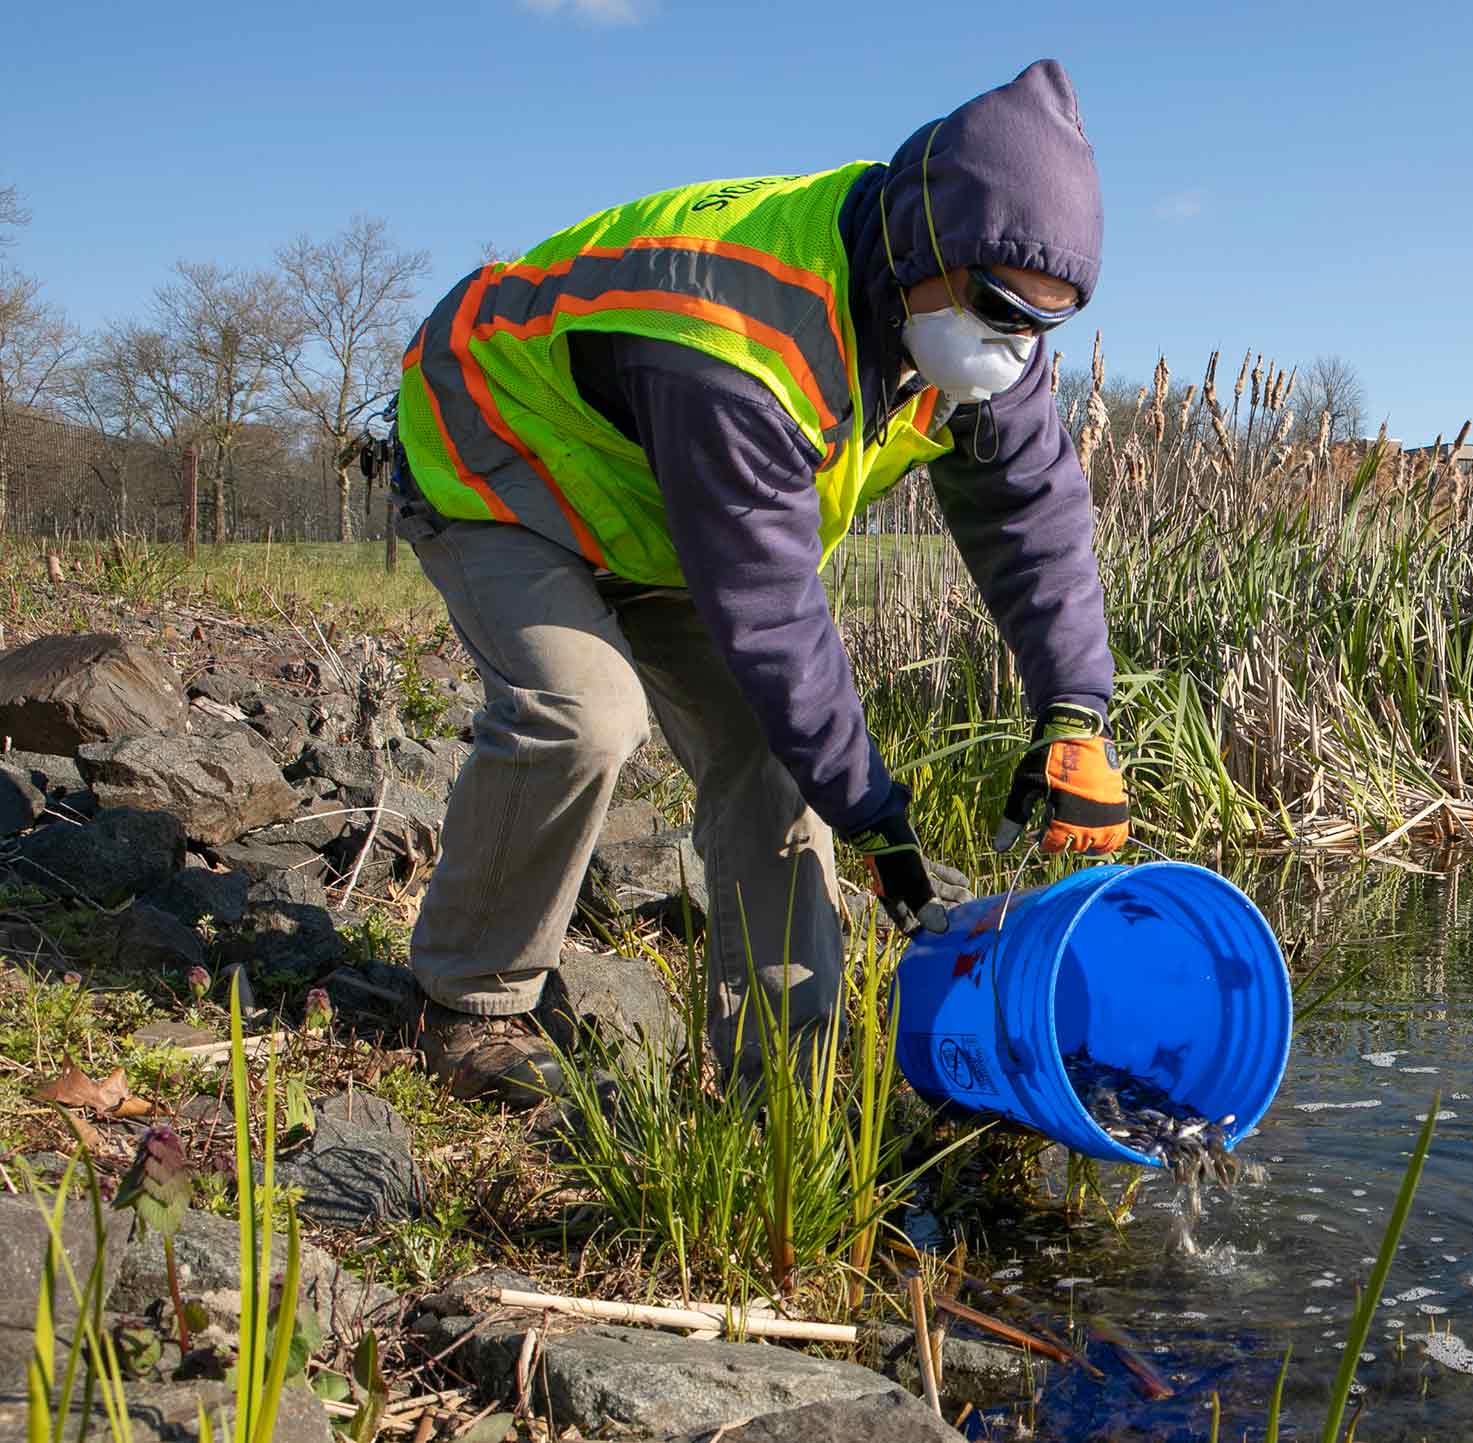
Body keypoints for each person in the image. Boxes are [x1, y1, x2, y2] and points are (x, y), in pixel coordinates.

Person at [386, 60, 1128, 1104]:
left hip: (663, 506)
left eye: (1040, 325)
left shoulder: (977, 337)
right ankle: (467, 999)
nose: (1013, 348)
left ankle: (784, 1083)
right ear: (922, 246)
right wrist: (880, 820)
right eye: (999, 310)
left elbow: (1035, 524)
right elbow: (772, 618)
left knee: (774, 768)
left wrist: (1073, 711)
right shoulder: (742, 332)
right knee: (582, 714)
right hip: (503, 456)